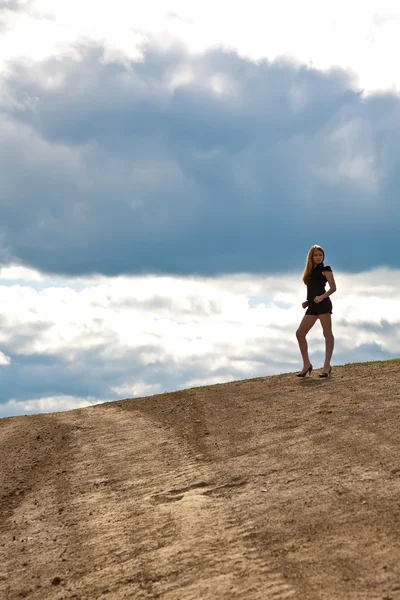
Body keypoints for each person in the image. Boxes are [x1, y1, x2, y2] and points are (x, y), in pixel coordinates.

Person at [296, 245, 336, 378]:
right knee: (300, 333)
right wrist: (307, 302)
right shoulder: (309, 272)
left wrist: (322, 297)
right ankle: (306, 364)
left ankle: (326, 365)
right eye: (316, 255)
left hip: (324, 305)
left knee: (327, 333)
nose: (318, 257)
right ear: (311, 257)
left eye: (320, 255)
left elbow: (333, 288)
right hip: (312, 307)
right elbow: (312, 289)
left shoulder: (326, 270)